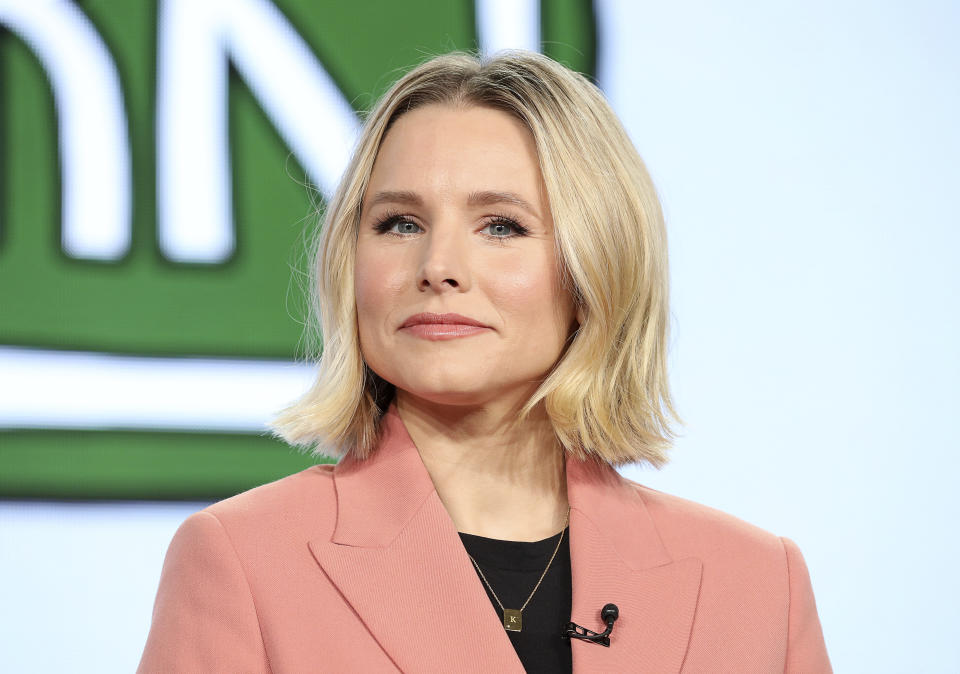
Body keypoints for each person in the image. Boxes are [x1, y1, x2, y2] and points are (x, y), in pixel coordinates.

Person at [137, 50, 832, 673]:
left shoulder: (758, 584)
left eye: (501, 226)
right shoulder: (244, 561)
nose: (437, 267)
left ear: (595, 269)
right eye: (398, 224)